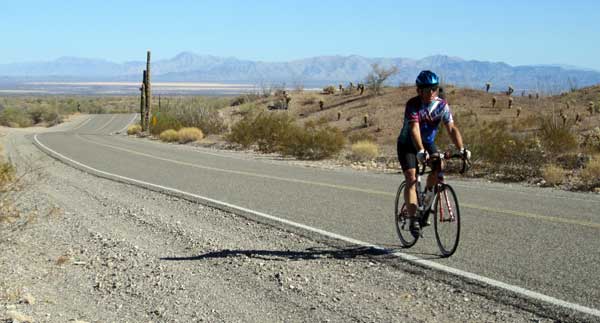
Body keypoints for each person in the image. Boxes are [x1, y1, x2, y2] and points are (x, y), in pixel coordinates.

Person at [396, 70, 471, 236]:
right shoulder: (413, 105)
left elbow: (451, 128)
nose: (430, 92)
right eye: (426, 89)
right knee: (411, 177)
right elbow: (414, 129)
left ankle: (427, 198)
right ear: (419, 90)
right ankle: (414, 218)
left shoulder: (442, 106)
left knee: (439, 166)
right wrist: (420, 151)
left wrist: (461, 149)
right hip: (408, 144)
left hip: (428, 143)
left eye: (434, 88)